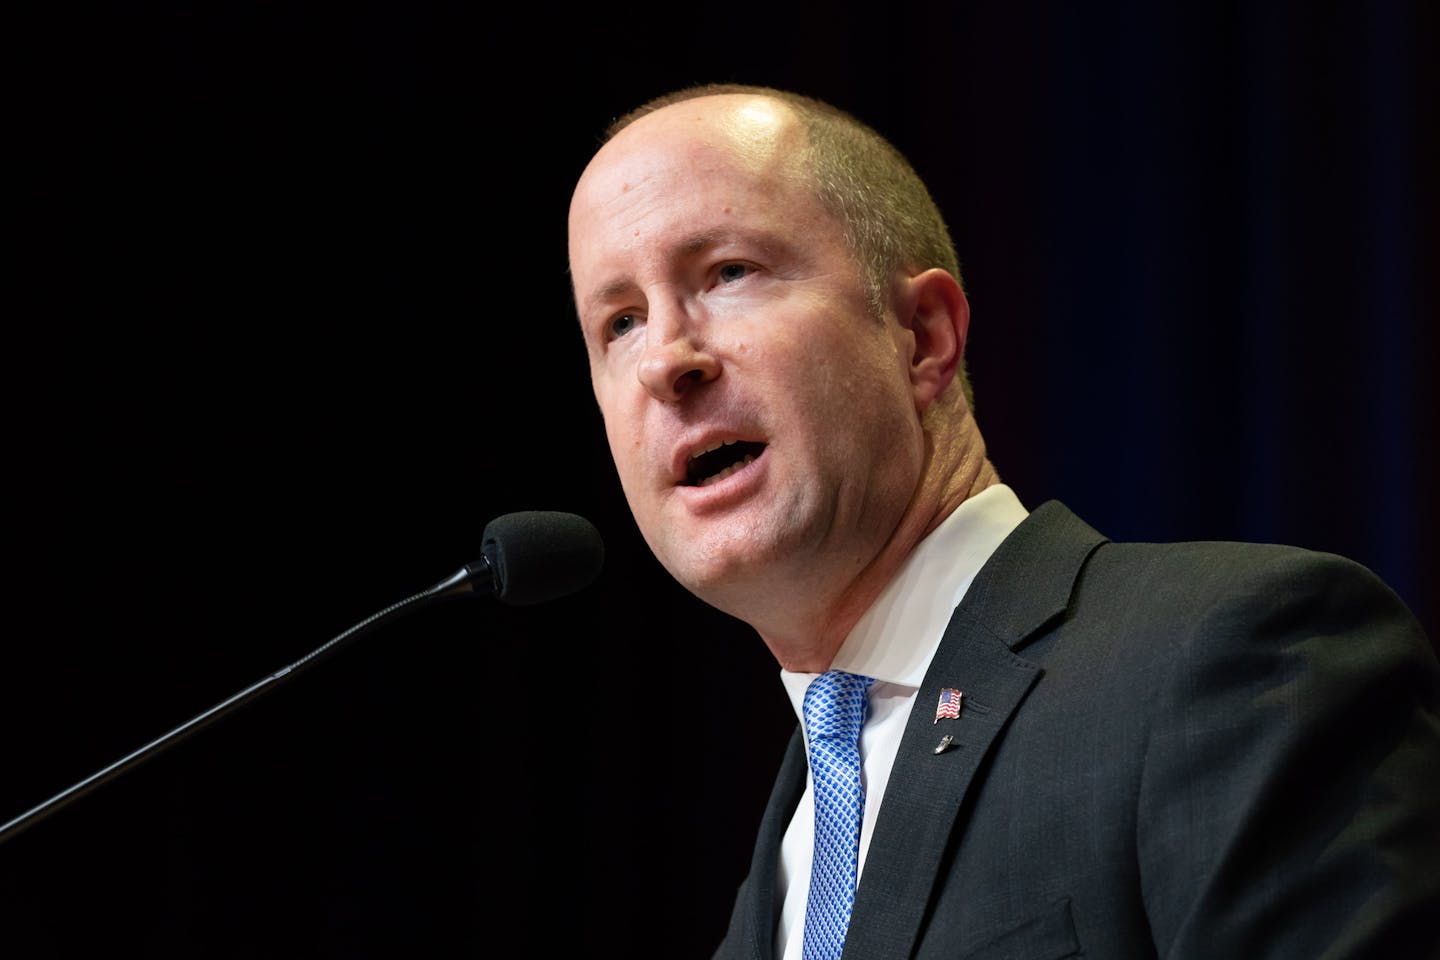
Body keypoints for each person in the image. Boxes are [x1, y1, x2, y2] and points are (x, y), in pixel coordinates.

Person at [565, 82, 1440, 959]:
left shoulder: (1236, 656)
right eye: (621, 322)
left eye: (728, 273)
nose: (665, 361)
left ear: (924, 336)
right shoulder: (783, 859)